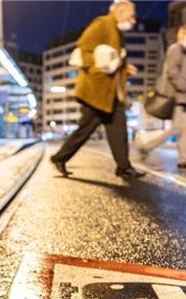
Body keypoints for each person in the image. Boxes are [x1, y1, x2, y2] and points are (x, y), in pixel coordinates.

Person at [50, 0, 145, 179]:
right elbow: (84, 50)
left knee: (119, 130)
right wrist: (98, 71)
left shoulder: (116, 31)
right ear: (120, 11)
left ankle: (124, 167)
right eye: (132, 16)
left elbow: (114, 61)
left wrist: (125, 69)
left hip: (110, 94)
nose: (134, 21)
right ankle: (59, 157)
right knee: (85, 129)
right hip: (95, 92)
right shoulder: (102, 24)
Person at [135, 24, 186, 170]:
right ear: (181, 35)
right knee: (177, 128)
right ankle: (146, 147)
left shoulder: (185, 52)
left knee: (184, 129)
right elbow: (171, 71)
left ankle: (182, 160)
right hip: (175, 96)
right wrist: (184, 86)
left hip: (182, 97)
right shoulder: (176, 49)